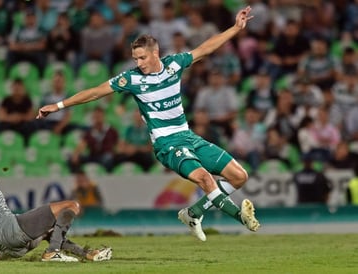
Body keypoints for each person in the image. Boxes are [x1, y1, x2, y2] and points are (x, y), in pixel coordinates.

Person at [38, 6, 260, 242]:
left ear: (156, 53)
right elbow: (95, 92)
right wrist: (59, 105)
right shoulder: (132, 78)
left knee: (239, 176)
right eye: (135, 58)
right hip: (166, 143)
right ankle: (241, 217)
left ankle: (193, 214)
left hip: (188, 135)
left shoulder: (174, 65)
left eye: (142, 57)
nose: (139, 63)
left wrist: (236, 28)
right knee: (205, 179)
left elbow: (205, 48)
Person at [0, 142, 112, 262]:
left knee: (50, 231)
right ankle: (52, 253)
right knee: (72, 205)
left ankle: (87, 255)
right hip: (11, 232)